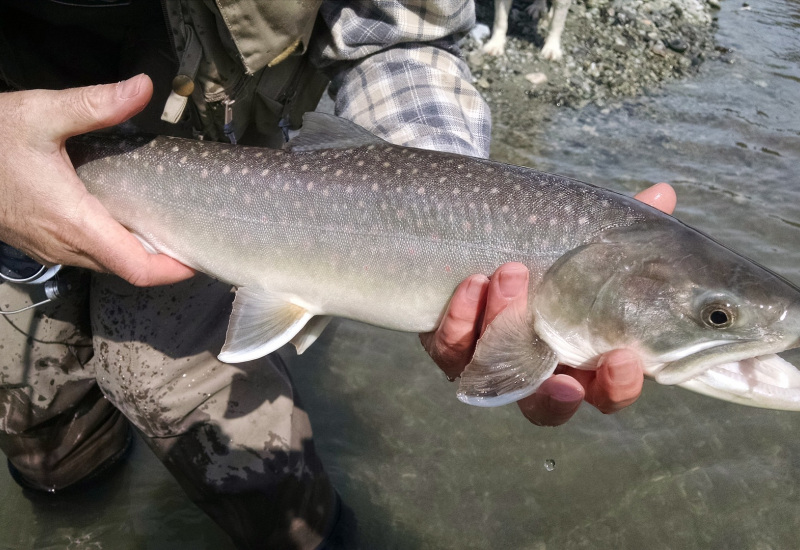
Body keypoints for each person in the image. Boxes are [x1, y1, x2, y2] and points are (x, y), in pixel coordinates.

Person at [0, 1, 675, 548]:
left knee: (247, 462)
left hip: (226, 172)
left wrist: (431, 204)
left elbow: (396, 38)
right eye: (715, 317)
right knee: (46, 441)